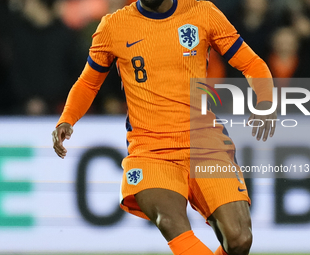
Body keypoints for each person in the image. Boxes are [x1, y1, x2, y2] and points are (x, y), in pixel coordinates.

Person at [52, 0, 276, 254]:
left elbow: (251, 63)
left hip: (205, 143)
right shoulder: (113, 26)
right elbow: (88, 83)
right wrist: (67, 118)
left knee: (239, 240)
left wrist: (265, 100)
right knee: (169, 220)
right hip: (150, 151)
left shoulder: (202, 12)